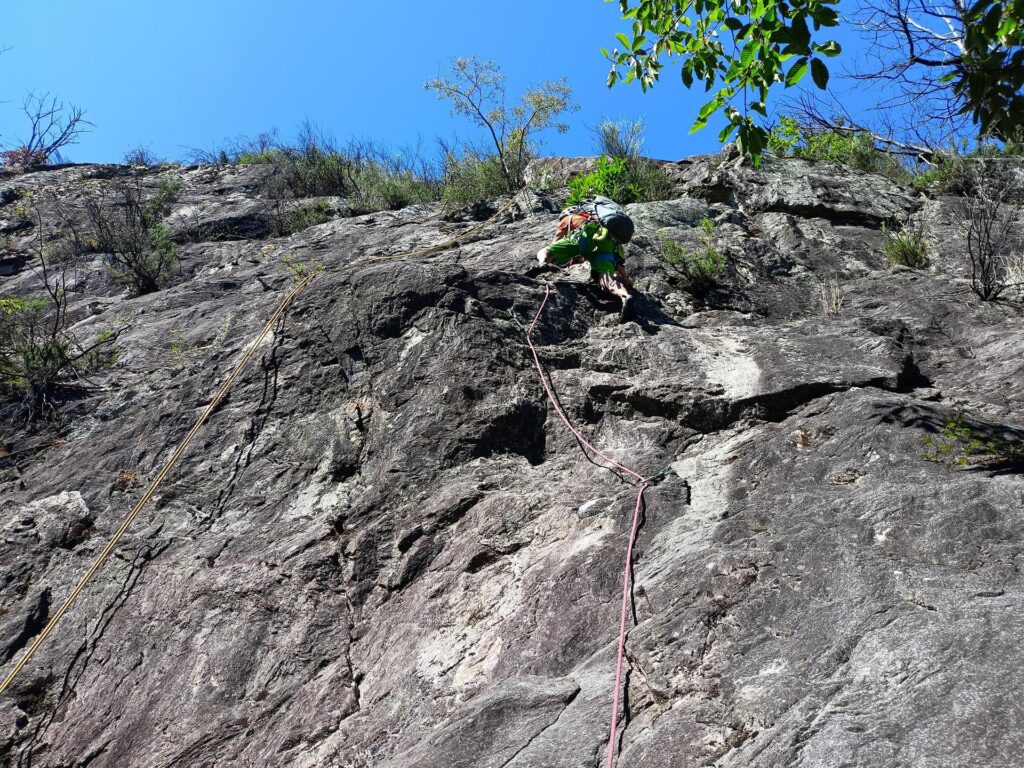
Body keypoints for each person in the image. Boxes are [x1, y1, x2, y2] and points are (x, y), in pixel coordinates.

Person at [536, 215, 636, 322]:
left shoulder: (568, 219)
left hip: (585, 236)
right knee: (606, 278)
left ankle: (542, 263)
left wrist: (552, 258)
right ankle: (625, 296)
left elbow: (555, 241)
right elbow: (618, 261)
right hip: (604, 242)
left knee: (546, 251)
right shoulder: (608, 230)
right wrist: (626, 279)